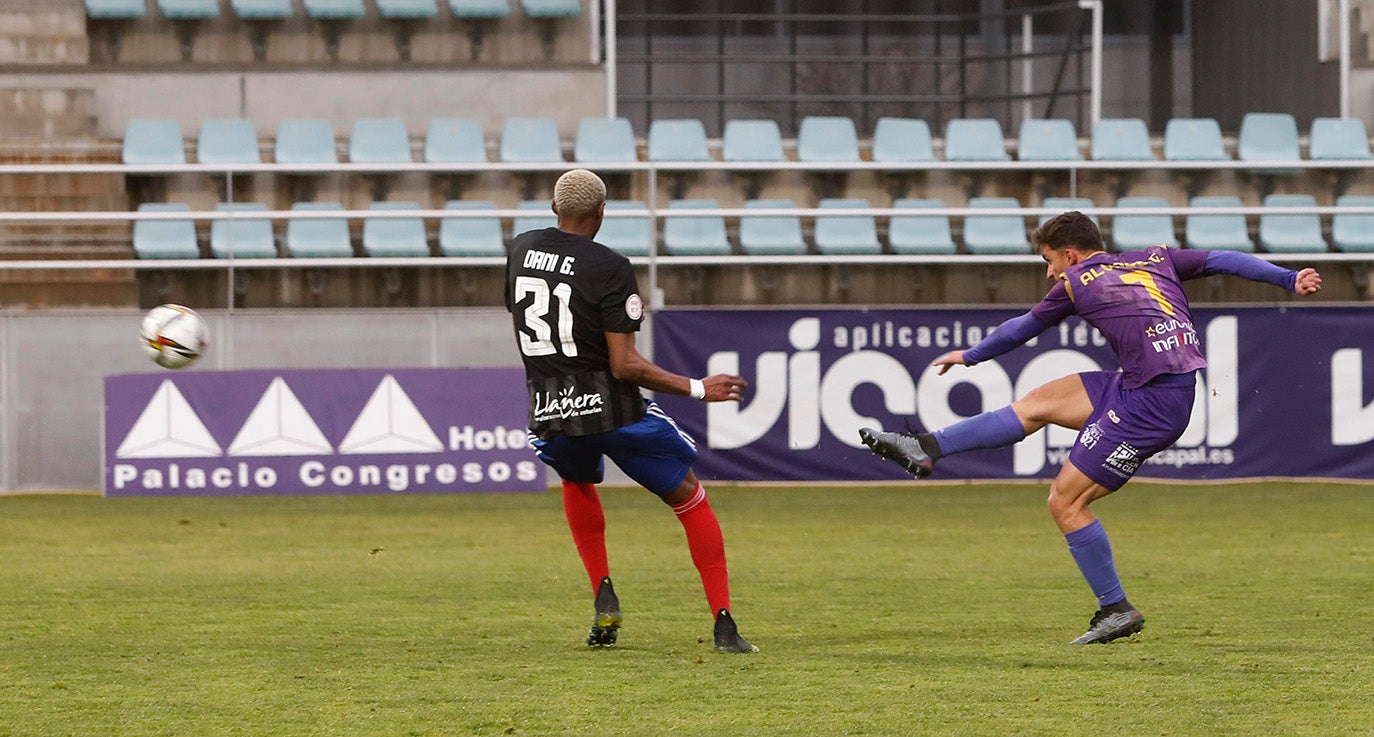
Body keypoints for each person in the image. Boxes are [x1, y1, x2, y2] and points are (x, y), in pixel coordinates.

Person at [860, 211, 1323, 644]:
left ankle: (1116, 608)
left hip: (1150, 405)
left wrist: (970, 356)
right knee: (1039, 403)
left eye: (1048, 261)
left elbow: (1024, 326)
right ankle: (925, 447)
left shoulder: (1077, 282)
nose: (1049, 274)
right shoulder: (1153, 257)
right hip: (1144, 386)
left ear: (1070, 255)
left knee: (1065, 501)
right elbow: (1224, 258)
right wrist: (1287, 277)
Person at [505, 168, 758, 653]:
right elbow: (625, 365)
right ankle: (724, 624)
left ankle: (603, 593)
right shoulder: (610, 266)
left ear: (553, 209)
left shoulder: (520, 249)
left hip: (553, 410)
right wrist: (699, 388)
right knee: (689, 497)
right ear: (602, 213)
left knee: (577, 480)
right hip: (614, 411)